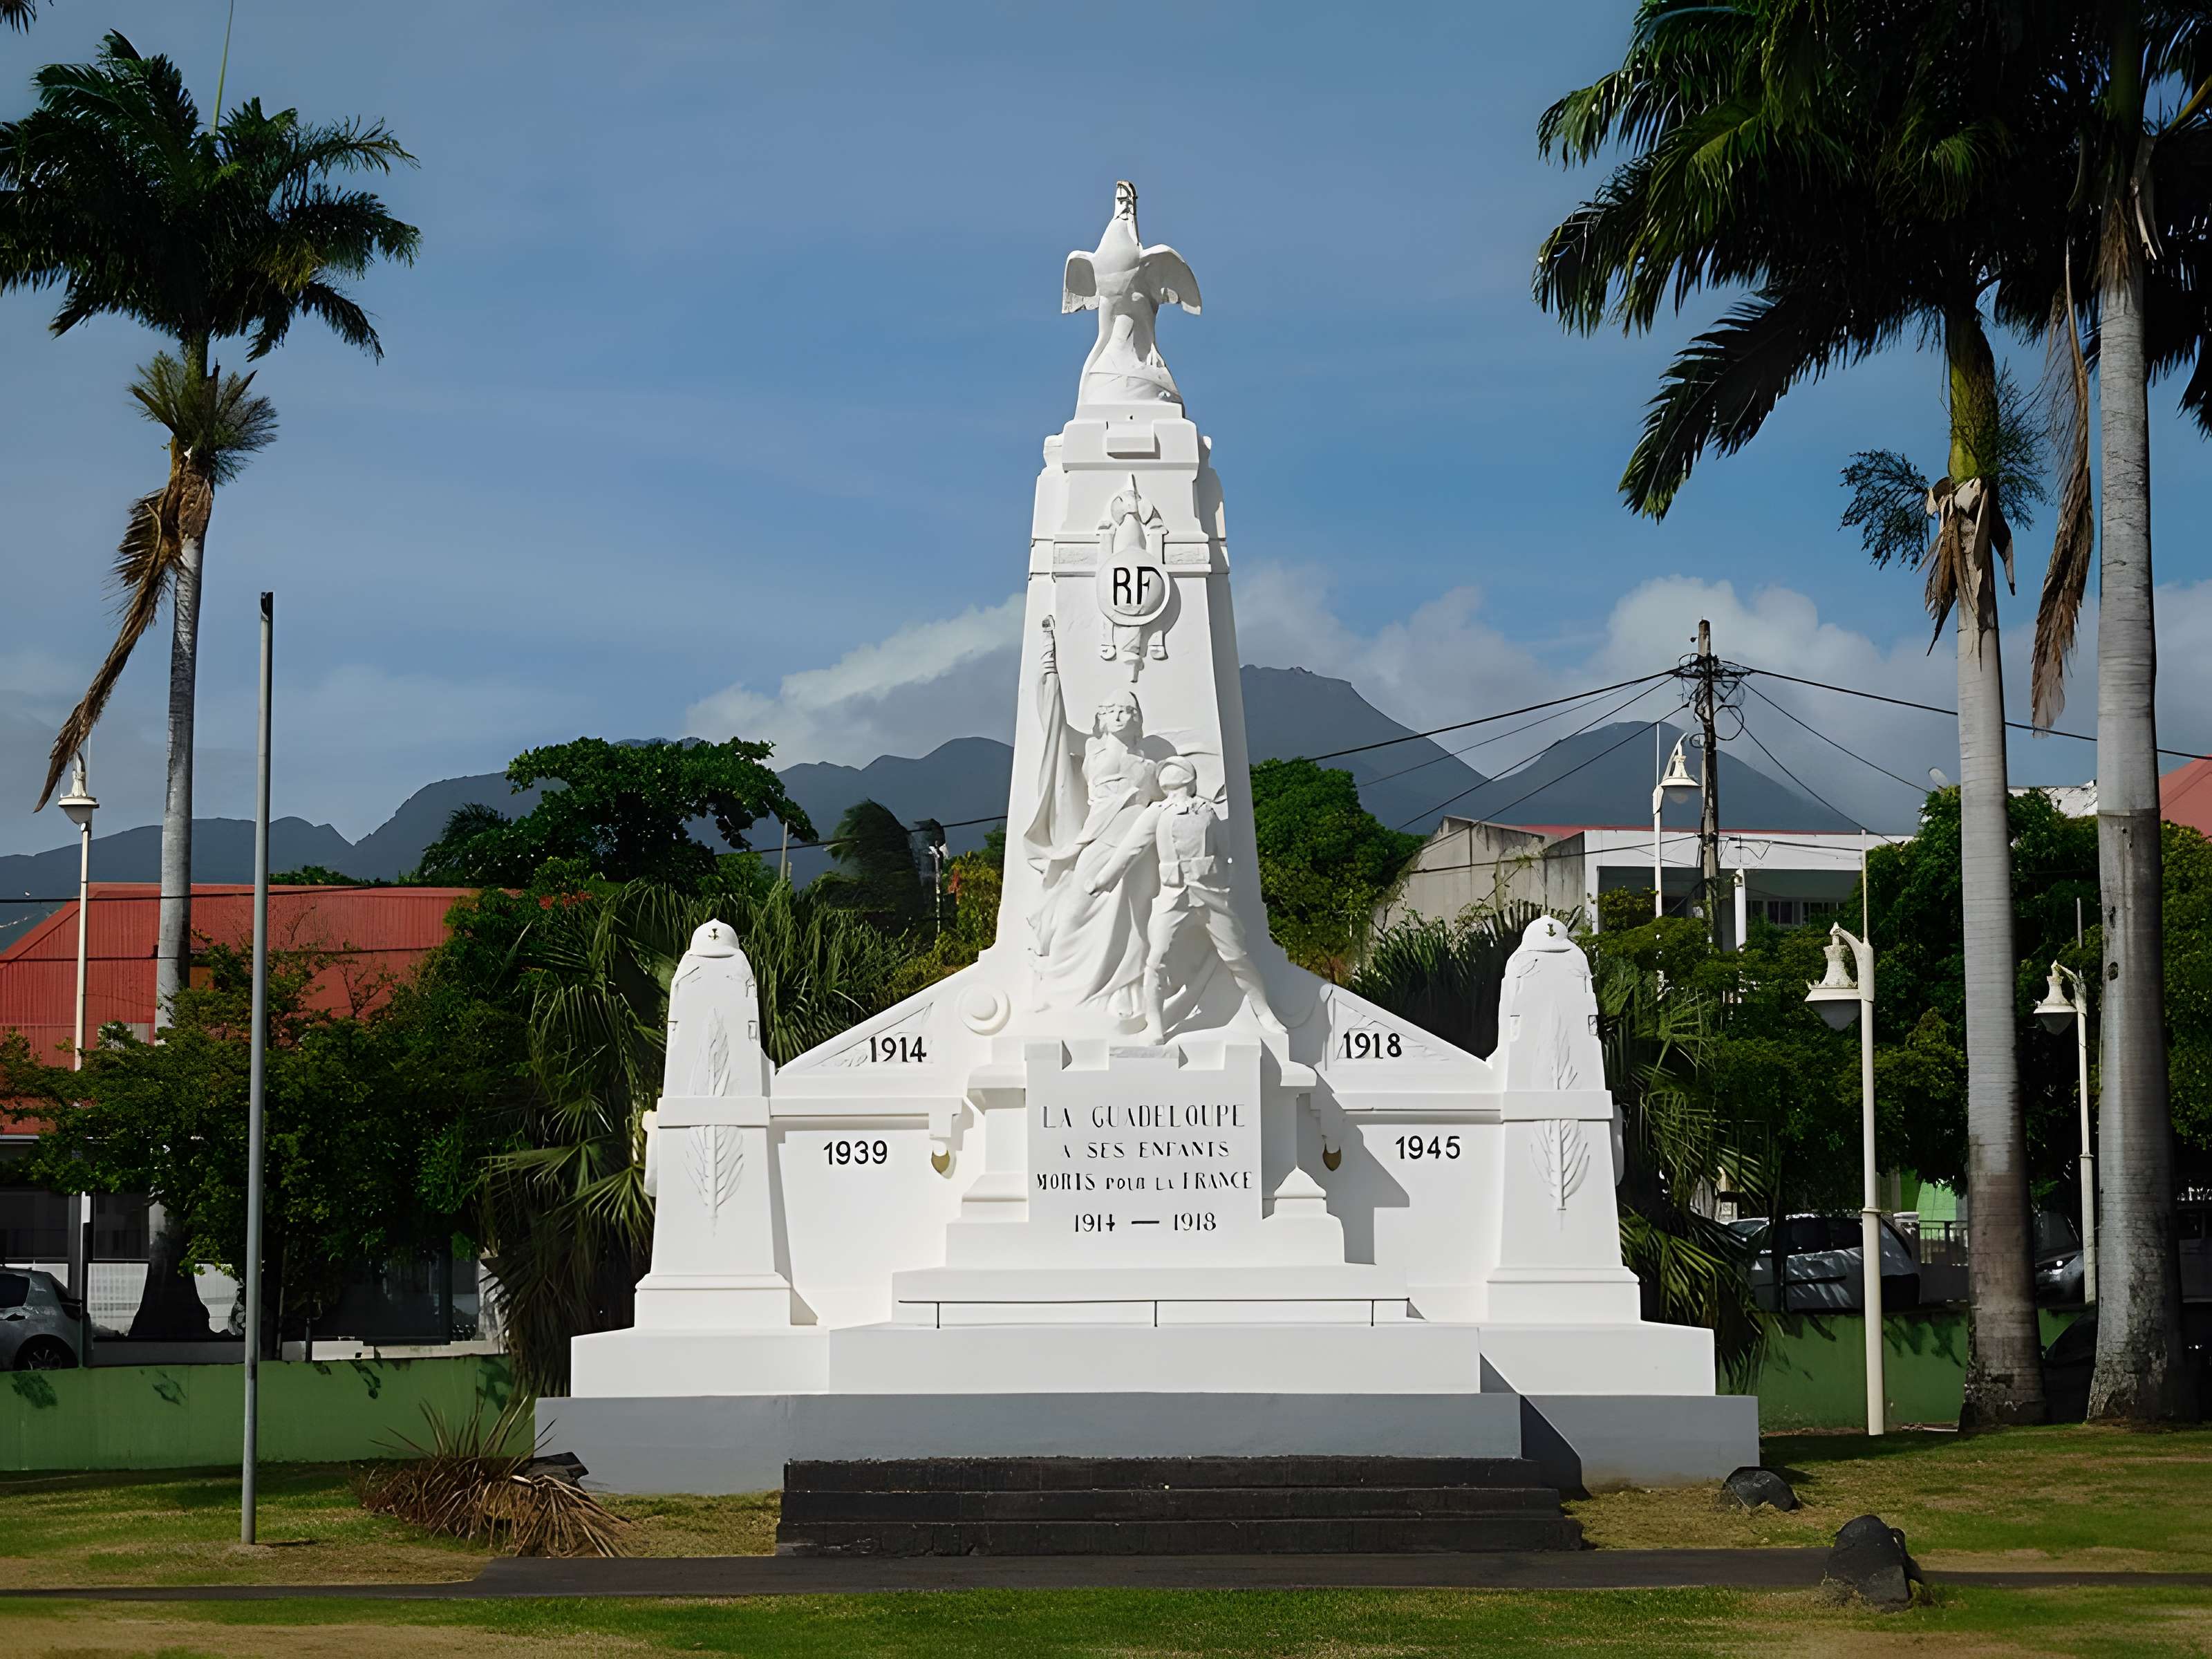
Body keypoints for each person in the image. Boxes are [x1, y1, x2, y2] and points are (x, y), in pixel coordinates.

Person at [1091, 756, 1284, 1044]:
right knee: (1156, 961)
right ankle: (1155, 1026)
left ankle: (1264, 1011)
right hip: (1173, 897)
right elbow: (1131, 849)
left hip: (1211, 895)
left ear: (1190, 780)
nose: (1169, 775)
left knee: (1237, 956)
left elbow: (1226, 851)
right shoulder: (1157, 812)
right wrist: (1103, 879)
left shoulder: (1206, 811)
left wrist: (1224, 882)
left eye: (1176, 770)